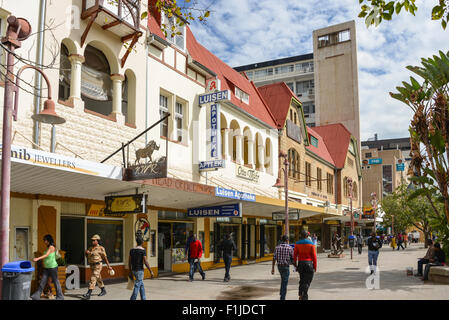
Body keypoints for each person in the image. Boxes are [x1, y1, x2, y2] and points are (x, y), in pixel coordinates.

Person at [30, 235, 64, 300]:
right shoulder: (47, 248)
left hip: (53, 267)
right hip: (47, 268)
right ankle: (36, 296)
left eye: (45, 240)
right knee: (43, 281)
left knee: (56, 281)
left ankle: (60, 296)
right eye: (44, 240)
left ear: (48, 240)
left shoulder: (51, 247)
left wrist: (37, 258)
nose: (44, 241)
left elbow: (46, 255)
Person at [82, 234, 113, 300]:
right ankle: (103, 290)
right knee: (98, 278)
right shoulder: (90, 248)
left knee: (93, 278)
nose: (92, 241)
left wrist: (109, 266)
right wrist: (86, 253)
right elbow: (88, 257)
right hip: (92, 265)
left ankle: (88, 294)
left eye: (94, 240)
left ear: (97, 241)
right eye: (92, 240)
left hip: (98, 265)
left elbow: (105, 258)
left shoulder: (101, 248)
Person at [293, 230, 317, 300]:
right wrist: (315, 266)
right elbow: (314, 256)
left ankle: (301, 293)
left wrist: (295, 265)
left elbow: (295, 256)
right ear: (307, 236)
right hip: (308, 263)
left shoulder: (297, 243)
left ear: (301, 235)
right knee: (308, 280)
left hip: (300, 263)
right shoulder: (311, 244)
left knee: (302, 279)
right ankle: (304, 295)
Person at [129, 236, 154, 300]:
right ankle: (132, 299)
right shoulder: (142, 250)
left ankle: (143, 298)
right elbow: (145, 261)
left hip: (134, 270)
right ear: (142, 242)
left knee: (141, 284)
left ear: (136, 242)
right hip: (139, 270)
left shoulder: (132, 250)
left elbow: (129, 261)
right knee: (137, 285)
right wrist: (150, 271)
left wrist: (130, 271)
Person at [272, 235, 294, 300]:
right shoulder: (289, 248)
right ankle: (282, 296)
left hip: (279, 267)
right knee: (285, 281)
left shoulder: (277, 247)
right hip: (286, 267)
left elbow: (274, 258)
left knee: (283, 280)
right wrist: (295, 266)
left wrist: (273, 268)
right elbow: (293, 258)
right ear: (287, 240)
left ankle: (282, 293)